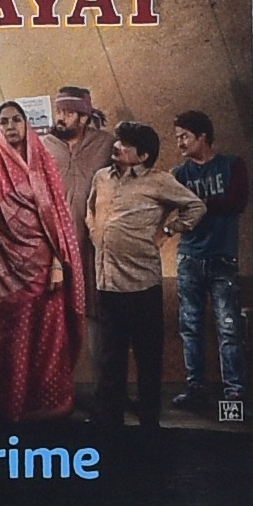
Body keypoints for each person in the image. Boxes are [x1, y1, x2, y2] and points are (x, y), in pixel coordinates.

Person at [0, 98, 87, 423]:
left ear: (26, 125)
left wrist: (55, 265)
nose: (10, 127)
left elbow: (56, 220)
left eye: (15, 120)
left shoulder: (43, 164)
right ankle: (4, 409)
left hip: (41, 271)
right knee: (3, 345)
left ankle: (44, 409)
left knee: (44, 340)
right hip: (1, 277)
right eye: (4, 122)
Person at [83, 120, 196, 431]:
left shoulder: (159, 181)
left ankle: (149, 422)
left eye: (125, 144)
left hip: (142, 285)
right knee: (110, 360)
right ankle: (111, 421)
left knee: (148, 358)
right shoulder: (101, 177)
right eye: (118, 141)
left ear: (143, 155)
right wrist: (94, 231)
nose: (116, 147)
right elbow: (90, 210)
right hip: (107, 284)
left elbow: (195, 207)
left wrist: (168, 230)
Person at [168, 105, 246, 421]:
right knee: (191, 327)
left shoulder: (232, 165)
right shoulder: (178, 174)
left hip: (222, 258)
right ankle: (195, 387)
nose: (180, 144)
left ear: (203, 137)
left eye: (184, 137)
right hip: (190, 258)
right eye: (177, 138)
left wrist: (196, 206)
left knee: (228, 327)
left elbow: (236, 202)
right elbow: (174, 213)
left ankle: (235, 391)